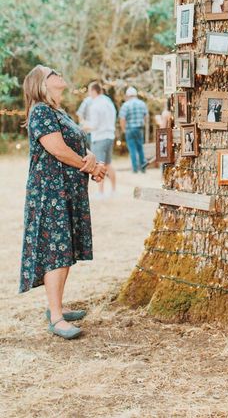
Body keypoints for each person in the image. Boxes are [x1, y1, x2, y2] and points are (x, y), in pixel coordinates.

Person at [20, 65, 105, 340]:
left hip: (66, 191)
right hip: (50, 193)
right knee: (56, 251)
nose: (58, 74)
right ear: (42, 85)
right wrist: (90, 167)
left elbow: (76, 142)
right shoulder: (41, 111)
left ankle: (56, 307)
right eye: (52, 73)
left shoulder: (57, 111)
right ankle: (56, 318)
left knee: (64, 249)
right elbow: (56, 148)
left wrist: (91, 158)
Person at [84, 81, 117, 199]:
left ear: (93, 91)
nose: (89, 94)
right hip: (110, 136)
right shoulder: (108, 102)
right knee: (108, 164)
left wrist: (83, 127)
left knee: (99, 165)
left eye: (89, 91)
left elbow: (94, 125)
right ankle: (113, 190)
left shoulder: (95, 105)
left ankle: (101, 192)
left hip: (99, 137)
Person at [119, 86, 148, 173]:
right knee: (140, 148)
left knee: (132, 149)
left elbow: (122, 119)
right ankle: (143, 167)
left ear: (128, 95)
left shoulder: (126, 105)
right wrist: (143, 123)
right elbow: (146, 116)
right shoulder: (142, 103)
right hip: (139, 128)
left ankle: (135, 169)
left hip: (130, 129)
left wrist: (124, 129)